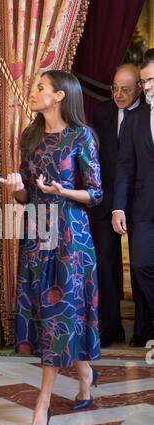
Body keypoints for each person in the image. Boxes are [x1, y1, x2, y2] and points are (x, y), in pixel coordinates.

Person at [0, 70, 103, 425]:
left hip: (71, 238)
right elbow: (28, 194)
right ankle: (85, 372)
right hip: (37, 232)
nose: (33, 92)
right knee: (47, 310)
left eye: (40, 87)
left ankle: (42, 401)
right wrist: (16, 190)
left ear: (59, 96)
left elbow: (95, 194)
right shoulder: (29, 137)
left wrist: (62, 191)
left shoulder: (82, 136)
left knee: (63, 308)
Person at [91, 64, 144, 347]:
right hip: (107, 197)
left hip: (141, 199)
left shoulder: (148, 112)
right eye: (115, 88)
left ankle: (143, 328)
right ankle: (110, 327)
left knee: (140, 263)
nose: (119, 95)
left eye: (125, 89)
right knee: (106, 262)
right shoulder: (101, 113)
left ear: (139, 87)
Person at [112, 57, 154, 347]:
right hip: (143, 208)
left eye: (152, 80)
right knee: (140, 266)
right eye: (145, 81)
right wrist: (118, 207)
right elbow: (124, 166)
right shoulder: (134, 119)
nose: (148, 87)